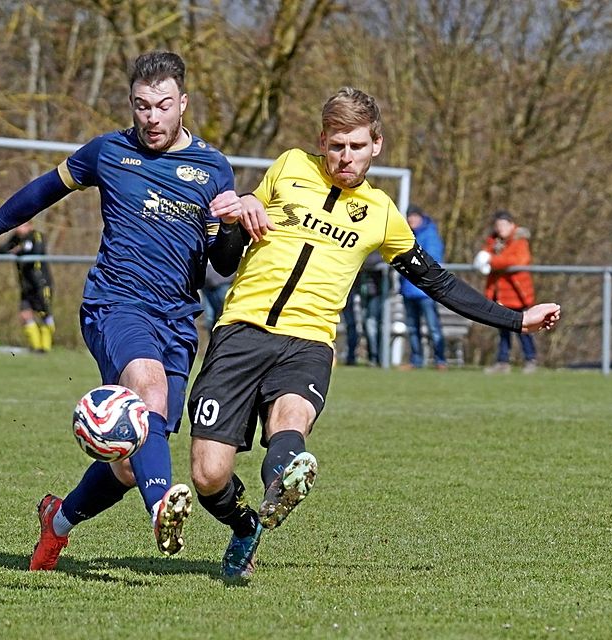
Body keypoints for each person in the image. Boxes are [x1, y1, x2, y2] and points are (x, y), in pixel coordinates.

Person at [186, 87, 561, 578]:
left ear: (376, 145)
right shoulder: (289, 166)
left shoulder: (383, 213)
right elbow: (225, 258)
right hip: (239, 334)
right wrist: (233, 218)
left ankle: (283, 479)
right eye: (337, 145)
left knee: (291, 419)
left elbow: (438, 281)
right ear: (322, 140)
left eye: (357, 146)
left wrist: (516, 318)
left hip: (309, 341)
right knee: (208, 474)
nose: (346, 156)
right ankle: (244, 525)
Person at [0, 51, 244, 570]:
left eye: (163, 106)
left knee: (133, 460)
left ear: (184, 104)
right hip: (116, 305)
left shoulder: (213, 169)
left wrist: (234, 225)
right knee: (146, 390)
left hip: (177, 319)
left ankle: (57, 521)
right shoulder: (108, 152)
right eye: (142, 105)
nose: (151, 117)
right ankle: (162, 512)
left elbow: (223, 259)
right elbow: (43, 190)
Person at [475, 209, 539, 373]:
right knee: (502, 330)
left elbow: (517, 260)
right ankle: (502, 362)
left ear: (512, 225)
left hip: (516, 294)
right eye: (498, 225)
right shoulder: (493, 242)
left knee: (523, 328)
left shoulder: (519, 241)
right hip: (500, 294)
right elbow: (486, 257)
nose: (500, 228)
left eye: (504, 224)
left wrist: (491, 261)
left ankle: (530, 359)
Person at [399, 204, 447, 369]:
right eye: (409, 216)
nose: (411, 219)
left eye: (414, 216)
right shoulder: (405, 233)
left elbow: (431, 258)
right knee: (412, 328)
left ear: (420, 217)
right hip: (408, 288)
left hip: (425, 291)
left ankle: (440, 360)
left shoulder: (430, 234)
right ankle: (416, 361)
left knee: (433, 326)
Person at [0, 221, 55, 352]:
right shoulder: (16, 238)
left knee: (44, 313)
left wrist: (18, 251)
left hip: (41, 283)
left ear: (30, 226)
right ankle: (35, 347)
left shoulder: (36, 236)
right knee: (25, 314)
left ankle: (45, 347)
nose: (18, 228)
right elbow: (2, 250)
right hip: (25, 285)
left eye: (22, 225)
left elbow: (37, 252)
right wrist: (16, 250)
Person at [201, 262, 234, 331]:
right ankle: (211, 339)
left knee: (225, 315)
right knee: (209, 319)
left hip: (223, 283)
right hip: (206, 285)